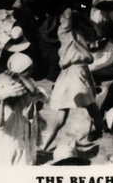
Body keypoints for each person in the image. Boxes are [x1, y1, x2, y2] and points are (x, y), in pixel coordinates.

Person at [40, 8, 106, 153]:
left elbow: (96, 34)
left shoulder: (76, 33)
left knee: (66, 113)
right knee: (90, 108)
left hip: (75, 72)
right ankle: (101, 131)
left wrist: (77, 13)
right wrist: (72, 10)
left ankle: (45, 145)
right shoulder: (66, 32)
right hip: (76, 73)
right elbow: (69, 19)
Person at [0, 53, 47, 166]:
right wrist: (2, 101)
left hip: (20, 148)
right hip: (3, 150)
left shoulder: (21, 99)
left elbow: (37, 94)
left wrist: (20, 77)